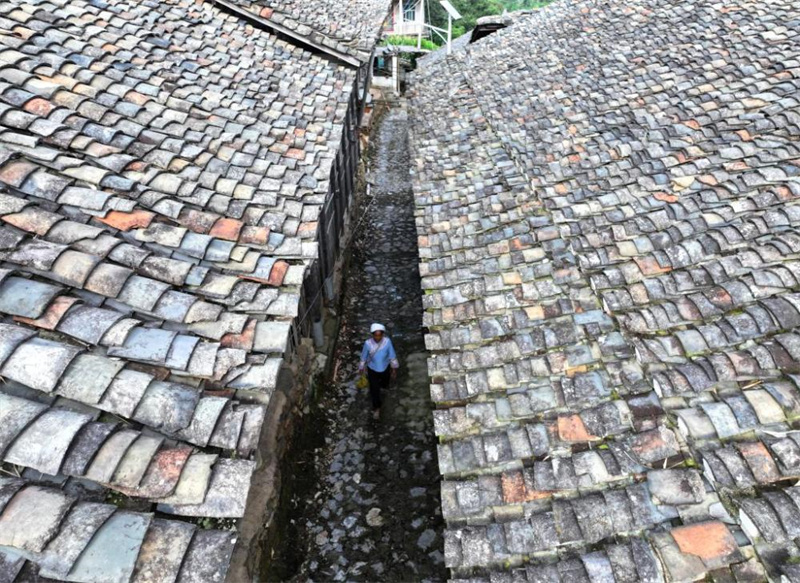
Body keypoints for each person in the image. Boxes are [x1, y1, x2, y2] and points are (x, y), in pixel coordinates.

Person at [358, 323, 399, 419]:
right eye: (375, 335)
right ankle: (377, 407)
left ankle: (384, 387)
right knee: (374, 390)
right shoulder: (368, 344)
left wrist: (394, 370)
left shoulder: (387, 342)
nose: (377, 337)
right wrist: (361, 367)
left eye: (379, 335)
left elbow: (392, 356)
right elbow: (363, 356)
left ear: (383, 334)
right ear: (372, 335)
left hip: (385, 368)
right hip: (372, 370)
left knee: (384, 383)